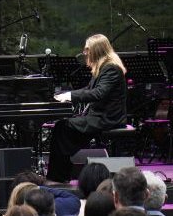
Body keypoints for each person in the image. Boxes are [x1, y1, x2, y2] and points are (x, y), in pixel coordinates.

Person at [47, 34, 128, 183]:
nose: (85, 53)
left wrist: (70, 96)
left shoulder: (111, 68)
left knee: (62, 128)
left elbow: (98, 93)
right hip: (101, 116)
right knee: (62, 127)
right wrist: (67, 94)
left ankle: (57, 177)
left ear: (96, 50)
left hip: (107, 118)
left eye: (87, 49)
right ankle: (59, 175)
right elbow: (89, 89)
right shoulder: (104, 67)